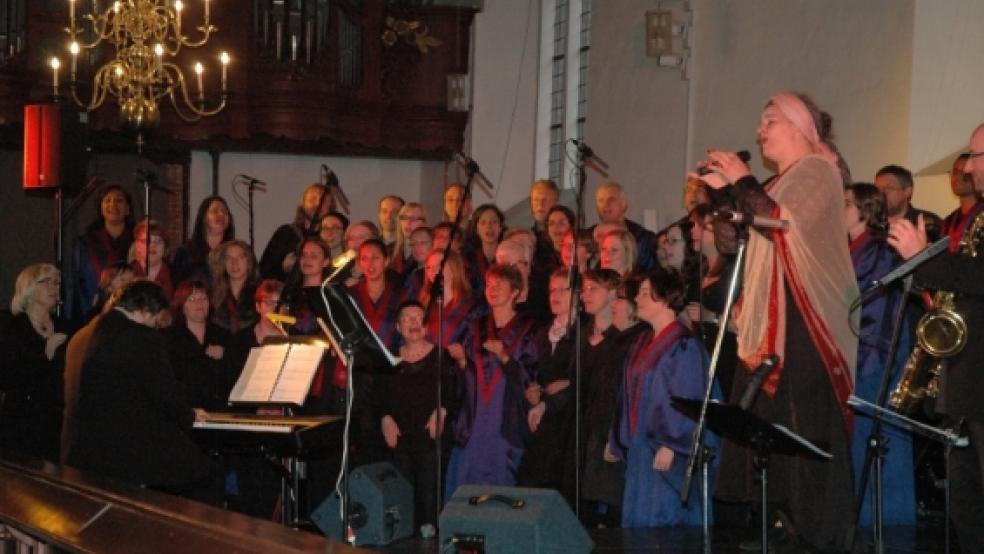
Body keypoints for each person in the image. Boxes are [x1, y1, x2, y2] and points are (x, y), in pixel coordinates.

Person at [701, 91, 858, 551]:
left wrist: (743, 180)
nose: (760, 129)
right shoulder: (779, 182)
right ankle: (782, 526)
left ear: (801, 126)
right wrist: (725, 193)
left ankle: (812, 535)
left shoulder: (817, 170)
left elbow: (779, 223)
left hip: (806, 321)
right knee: (772, 428)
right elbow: (733, 241)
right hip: (777, 322)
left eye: (770, 119)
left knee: (801, 426)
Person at [888, 122, 984, 553]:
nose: (968, 166)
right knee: (965, 502)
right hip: (967, 377)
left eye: (977, 156)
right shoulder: (978, 214)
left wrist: (920, 260)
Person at [68, 280, 222, 503]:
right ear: (146, 311)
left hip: (88, 450)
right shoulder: (141, 337)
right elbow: (165, 392)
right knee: (209, 474)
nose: (155, 326)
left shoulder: (88, 333)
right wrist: (188, 415)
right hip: (129, 452)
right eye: (156, 319)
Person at [606, 271, 716, 527]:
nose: (638, 298)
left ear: (666, 298)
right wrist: (617, 436)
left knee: (661, 518)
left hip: (663, 450)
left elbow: (688, 396)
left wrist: (672, 443)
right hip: (640, 447)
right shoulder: (641, 341)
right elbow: (627, 393)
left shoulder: (683, 345)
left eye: (646, 293)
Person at [844, 183, 915, 525]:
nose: (838, 210)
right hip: (863, 353)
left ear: (864, 210)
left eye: (845, 204)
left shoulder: (875, 249)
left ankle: (889, 521)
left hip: (876, 354)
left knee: (883, 438)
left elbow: (871, 310)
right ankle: (868, 518)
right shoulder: (854, 249)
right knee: (864, 441)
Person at [445, 264, 539, 493]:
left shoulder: (529, 329)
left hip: (507, 420)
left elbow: (533, 377)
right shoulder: (476, 326)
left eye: (499, 285)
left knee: (503, 482)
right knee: (471, 483)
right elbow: (467, 374)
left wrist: (505, 358)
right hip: (476, 417)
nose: (492, 289)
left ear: (515, 291)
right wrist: (461, 362)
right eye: (489, 285)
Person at [380, 301, 458, 534]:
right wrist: (385, 418)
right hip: (399, 437)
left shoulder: (441, 356)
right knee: (401, 492)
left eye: (418, 317)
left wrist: (442, 410)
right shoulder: (389, 359)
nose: (414, 322)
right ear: (398, 326)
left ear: (426, 325)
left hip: (430, 436)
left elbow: (454, 393)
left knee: (429, 492)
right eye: (407, 318)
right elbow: (378, 396)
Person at [0, 263, 68, 463]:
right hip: (23, 422)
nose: (54, 287)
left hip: (56, 421)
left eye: (56, 282)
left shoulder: (66, 326)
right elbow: (7, 376)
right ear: (28, 289)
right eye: (46, 282)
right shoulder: (12, 327)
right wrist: (46, 354)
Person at [518, 268, 576, 498]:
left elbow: (588, 376)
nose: (556, 295)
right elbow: (535, 372)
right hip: (545, 420)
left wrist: (569, 382)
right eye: (553, 290)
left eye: (563, 290)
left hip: (568, 422)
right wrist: (534, 389)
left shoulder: (583, 330)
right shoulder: (542, 334)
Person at [164, 279, 231, 410]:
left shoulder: (223, 335)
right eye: (193, 299)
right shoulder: (170, 338)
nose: (200, 303)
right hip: (186, 411)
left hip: (219, 410)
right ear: (181, 306)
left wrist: (226, 354)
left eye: (204, 298)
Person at [70, 184, 134, 320]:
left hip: (129, 310)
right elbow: (79, 284)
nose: (113, 204)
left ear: (128, 209)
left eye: (119, 200)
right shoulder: (86, 243)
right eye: (107, 200)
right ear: (101, 208)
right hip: (91, 310)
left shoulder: (138, 242)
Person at [259, 183, 332, 281]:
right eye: (313, 199)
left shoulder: (329, 237)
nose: (317, 204)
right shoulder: (286, 232)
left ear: (330, 208)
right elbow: (263, 271)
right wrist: (283, 268)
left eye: (322, 202)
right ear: (303, 203)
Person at [593, 181, 658, 272]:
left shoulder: (642, 237)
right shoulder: (587, 235)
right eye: (601, 200)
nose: (605, 205)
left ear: (624, 204)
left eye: (611, 200)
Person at [419, 249, 478, 348]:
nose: (432, 271)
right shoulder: (425, 303)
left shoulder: (470, 306)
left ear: (454, 268)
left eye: (439, 265)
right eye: (429, 267)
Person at [172, 196, 235, 285]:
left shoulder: (235, 251)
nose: (221, 214)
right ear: (204, 218)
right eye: (215, 211)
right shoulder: (186, 252)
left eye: (225, 212)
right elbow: (177, 286)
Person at [874, 164, 942, 242]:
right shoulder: (870, 225)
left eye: (888, 188)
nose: (881, 193)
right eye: (877, 189)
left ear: (907, 192)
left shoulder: (928, 223)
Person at [209, 240, 260, 333]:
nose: (234, 263)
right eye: (229, 258)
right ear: (223, 263)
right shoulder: (213, 293)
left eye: (240, 257)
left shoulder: (260, 293)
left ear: (248, 262)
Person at [940, 153, 984, 249]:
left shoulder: (982, 217)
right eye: (955, 172)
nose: (957, 177)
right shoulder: (948, 222)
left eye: (964, 172)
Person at [462, 204, 505, 298]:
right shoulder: (467, 260)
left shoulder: (507, 259)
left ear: (501, 227)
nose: (489, 226)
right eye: (483, 222)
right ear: (477, 229)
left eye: (494, 222)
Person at [131, 219, 175, 300]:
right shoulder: (126, 274)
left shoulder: (177, 274)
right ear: (137, 246)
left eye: (158, 241)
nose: (152, 245)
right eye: (146, 241)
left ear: (165, 248)